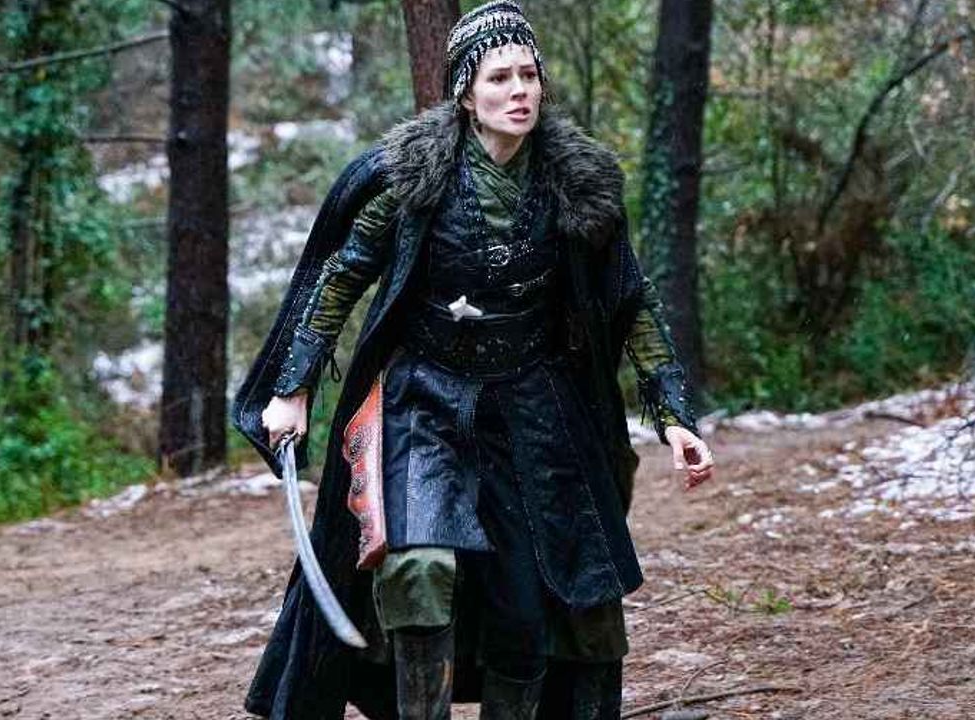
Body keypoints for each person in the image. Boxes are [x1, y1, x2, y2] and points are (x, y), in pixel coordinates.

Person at [232, 2, 714, 718]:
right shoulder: (412, 178)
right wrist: (292, 386)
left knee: (526, 607)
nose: (519, 91)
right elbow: (342, 277)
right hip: (423, 397)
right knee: (417, 566)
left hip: (532, 408)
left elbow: (629, 299)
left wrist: (674, 416)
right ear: (465, 93)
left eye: (529, 75)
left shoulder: (577, 183)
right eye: (499, 78)